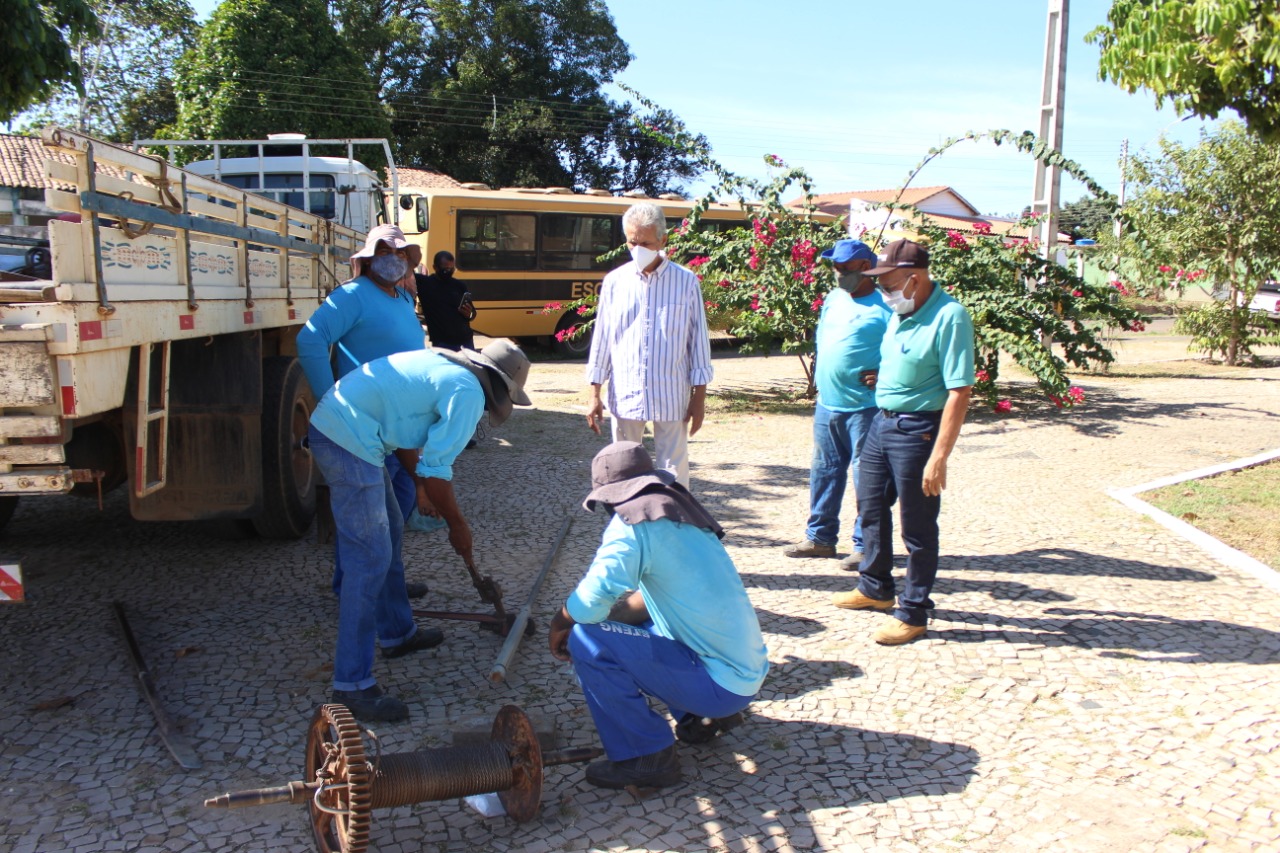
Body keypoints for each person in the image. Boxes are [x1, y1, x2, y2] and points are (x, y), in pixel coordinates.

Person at [310, 340, 531, 722]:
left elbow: (406, 437)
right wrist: (457, 525)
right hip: (346, 435)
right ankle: (351, 685)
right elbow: (437, 470)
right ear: (498, 389)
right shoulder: (465, 393)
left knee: (392, 525)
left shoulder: (446, 367)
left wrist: (419, 485)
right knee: (369, 559)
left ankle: (397, 633)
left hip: (354, 427)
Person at [549, 441, 769, 789]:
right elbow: (648, 601)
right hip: (743, 672)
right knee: (641, 619)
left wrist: (560, 622)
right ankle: (698, 718)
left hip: (718, 685)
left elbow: (589, 603)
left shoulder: (632, 528)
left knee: (587, 639)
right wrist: (616, 624)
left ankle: (647, 757)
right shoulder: (683, 514)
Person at [830, 239, 974, 645]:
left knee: (918, 525)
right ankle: (875, 587)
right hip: (882, 422)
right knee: (870, 506)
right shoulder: (901, 312)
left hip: (918, 430)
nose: (884, 292)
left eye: (889, 284)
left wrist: (939, 456)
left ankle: (913, 612)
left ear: (914, 279)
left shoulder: (950, 317)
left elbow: (959, 391)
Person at [298, 224, 429, 598]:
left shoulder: (401, 298)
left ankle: (386, 582)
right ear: (368, 258)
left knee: (399, 506)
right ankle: (355, 588)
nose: (393, 260)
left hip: (399, 425)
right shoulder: (352, 296)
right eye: (385, 252)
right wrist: (331, 402)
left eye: (400, 254)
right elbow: (310, 339)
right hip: (364, 425)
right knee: (365, 519)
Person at [585, 202, 713, 488]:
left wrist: (699, 399)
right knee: (622, 469)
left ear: (663, 240)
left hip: (671, 395)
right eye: (632, 242)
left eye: (646, 242)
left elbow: (698, 345)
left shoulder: (686, 282)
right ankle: (628, 526)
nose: (638, 248)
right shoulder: (615, 282)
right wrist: (594, 393)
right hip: (626, 393)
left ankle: (673, 527)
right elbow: (603, 338)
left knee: (674, 473)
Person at [783, 239, 890, 571]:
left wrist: (886, 372)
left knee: (867, 478)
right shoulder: (833, 299)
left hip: (866, 408)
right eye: (836, 268)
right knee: (824, 472)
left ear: (865, 269)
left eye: (844, 269)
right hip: (828, 404)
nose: (838, 275)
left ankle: (864, 546)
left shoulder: (885, 307)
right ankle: (820, 539)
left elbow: (905, 350)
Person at [417, 250, 476, 351]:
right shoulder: (425, 284)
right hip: (442, 343)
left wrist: (469, 313)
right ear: (435, 267)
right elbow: (405, 271)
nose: (449, 271)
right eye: (445, 268)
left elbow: (473, 314)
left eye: (451, 268)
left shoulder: (459, 285)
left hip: (466, 341)